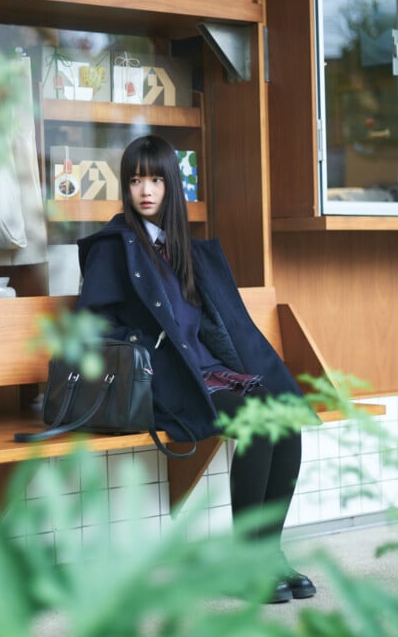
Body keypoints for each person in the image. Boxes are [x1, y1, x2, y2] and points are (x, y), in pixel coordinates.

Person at [77, 134, 316, 604]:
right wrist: (143, 342)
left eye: (156, 180)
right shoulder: (115, 246)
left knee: (285, 419)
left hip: (204, 369)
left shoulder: (182, 248)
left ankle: (266, 554)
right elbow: (93, 327)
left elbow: (219, 323)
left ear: (171, 187)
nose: (145, 190)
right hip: (160, 379)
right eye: (135, 180)